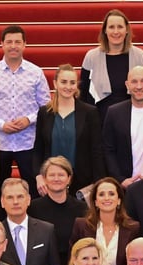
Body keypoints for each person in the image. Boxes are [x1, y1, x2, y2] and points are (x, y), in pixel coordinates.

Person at [0, 25, 51, 197]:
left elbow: (46, 106)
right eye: (9, 42)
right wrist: (1, 124)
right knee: (1, 191)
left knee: (34, 192)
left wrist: (28, 119)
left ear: (25, 44)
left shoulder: (36, 73)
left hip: (29, 142)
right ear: (2, 44)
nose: (13, 46)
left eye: (18, 42)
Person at [33, 64, 105, 198]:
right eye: (63, 82)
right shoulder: (44, 112)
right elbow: (38, 149)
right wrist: (38, 176)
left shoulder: (90, 112)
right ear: (55, 83)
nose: (68, 86)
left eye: (72, 82)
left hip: (82, 183)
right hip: (50, 182)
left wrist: (98, 182)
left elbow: (97, 150)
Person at [0, 178, 60, 265]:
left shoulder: (46, 230)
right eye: (10, 197)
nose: (15, 202)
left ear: (28, 199)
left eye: (20, 196)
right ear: (2, 202)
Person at [80, 9, 143, 119]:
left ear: (126, 30)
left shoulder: (140, 56)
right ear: (105, 31)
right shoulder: (91, 57)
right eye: (111, 27)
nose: (116, 31)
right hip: (100, 119)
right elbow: (82, 95)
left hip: (133, 118)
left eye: (120, 27)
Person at [70, 177, 140, 265]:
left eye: (111, 194)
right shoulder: (81, 225)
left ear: (119, 201)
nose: (107, 198)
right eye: (101, 194)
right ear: (96, 202)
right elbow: (72, 261)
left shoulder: (132, 228)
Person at [28, 156, 89, 265]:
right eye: (51, 175)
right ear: (45, 178)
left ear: (69, 178)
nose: (56, 179)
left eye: (61, 175)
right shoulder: (33, 208)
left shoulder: (82, 208)